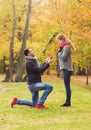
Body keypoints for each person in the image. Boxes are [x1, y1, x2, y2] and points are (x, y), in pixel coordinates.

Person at [57, 34, 76, 107]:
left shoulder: (66, 47)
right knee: (66, 85)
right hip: (64, 68)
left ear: (62, 40)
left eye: (58, 40)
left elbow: (64, 57)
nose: (58, 42)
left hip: (67, 68)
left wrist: (59, 53)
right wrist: (59, 50)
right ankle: (67, 101)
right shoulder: (63, 47)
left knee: (67, 86)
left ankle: (68, 102)